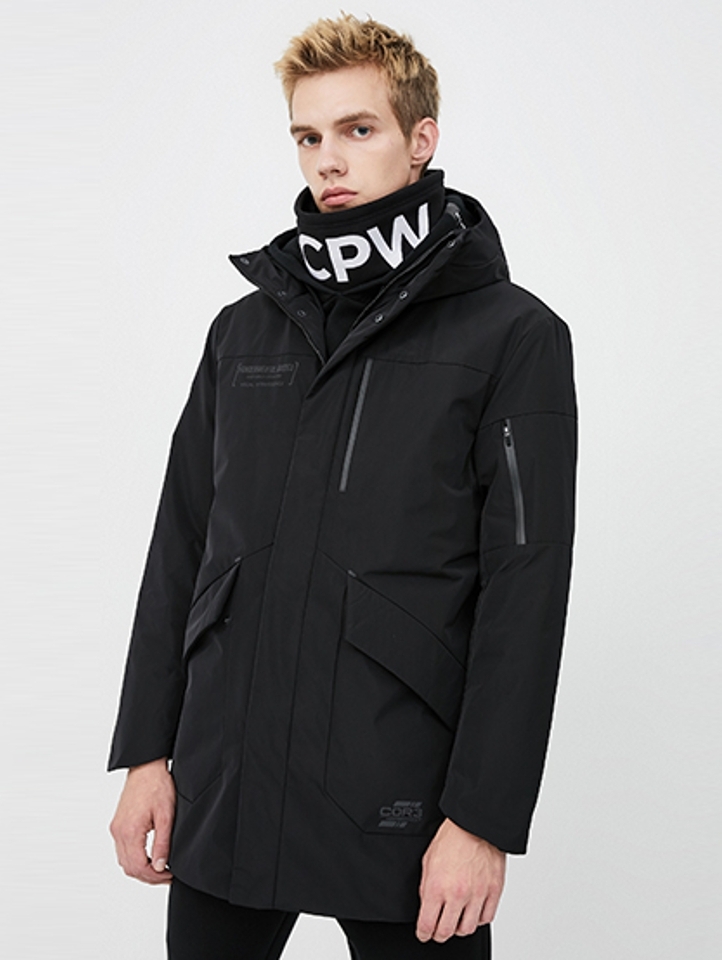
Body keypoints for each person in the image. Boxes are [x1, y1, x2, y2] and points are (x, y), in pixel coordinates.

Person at [108, 13, 577, 959]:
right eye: (308, 136)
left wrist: (482, 821)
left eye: (359, 129)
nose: (328, 159)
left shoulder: (513, 337)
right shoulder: (243, 333)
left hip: (404, 802)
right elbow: (181, 547)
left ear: (421, 139)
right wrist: (147, 754)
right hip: (228, 786)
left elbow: (526, 593)